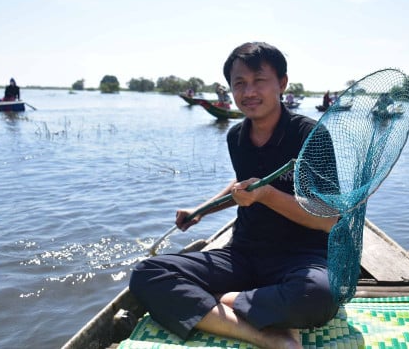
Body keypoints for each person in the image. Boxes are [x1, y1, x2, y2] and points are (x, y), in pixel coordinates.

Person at [130, 42, 340, 348]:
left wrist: (267, 195)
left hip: (300, 257)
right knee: (148, 273)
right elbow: (243, 186)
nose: (249, 92)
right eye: (239, 83)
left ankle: (219, 300)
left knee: (319, 296)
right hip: (242, 254)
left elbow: (329, 219)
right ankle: (265, 336)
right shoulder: (236, 136)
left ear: (282, 83)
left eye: (259, 81)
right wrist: (201, 209)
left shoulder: (311, 135)